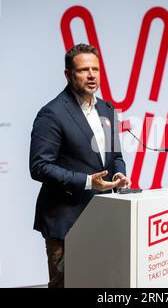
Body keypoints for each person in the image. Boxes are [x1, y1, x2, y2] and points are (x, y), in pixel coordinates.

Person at [29, 43, 131, 288]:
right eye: (84, 70)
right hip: (65, 221)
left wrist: (119, 174)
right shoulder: (52, 113)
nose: (92, 75)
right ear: (68, 74)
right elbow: (39, 166)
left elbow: (115, 155)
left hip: (103, 217)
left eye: (95, 69)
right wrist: (87, 182)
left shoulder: (107, 109)